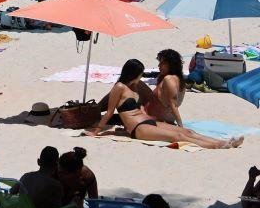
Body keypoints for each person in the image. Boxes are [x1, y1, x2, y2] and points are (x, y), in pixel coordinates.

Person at [86, 59, 240, 148]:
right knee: (178, 136)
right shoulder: (119, 87)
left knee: (188, 132)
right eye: (140, 74)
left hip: (149, 121)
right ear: (133, 74)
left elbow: (141, 108)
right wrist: (97, 130)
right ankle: (218, 146)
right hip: (138, 128)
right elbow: (109, 112)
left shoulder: (135, 86)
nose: (142, 76)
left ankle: (224, 142)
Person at [147, 49, 185, 126]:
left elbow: (173, 105)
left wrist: (180, 126)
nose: (159, 66)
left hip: (158, 121)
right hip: (158, 118)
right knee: (138, 83)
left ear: (171, 64)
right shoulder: (179, 79)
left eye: (162, 63)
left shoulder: (169, 79)